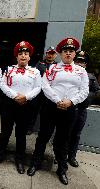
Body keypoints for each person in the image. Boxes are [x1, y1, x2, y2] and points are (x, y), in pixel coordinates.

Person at [27, 37, 89, 185]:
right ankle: (35, 163)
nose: (68, 54)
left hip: (69, 110)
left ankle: (62, 169)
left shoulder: (81, 71)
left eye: (71, 51)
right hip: (51, 108)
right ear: (60, 53)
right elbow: (45, 85)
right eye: (65, 51)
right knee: (43, 136)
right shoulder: (51, 68)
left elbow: (84, 90)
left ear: (75, 54)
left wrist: (71, 102)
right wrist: (57, 100)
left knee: (63, 140)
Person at [0, 41, 41, 174]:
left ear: (29, 57)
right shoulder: (9, 69)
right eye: (20, 54)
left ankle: (20, 161)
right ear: (16, 56)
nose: (23, 56)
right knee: (5, 133)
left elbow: (38, 87)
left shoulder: (35, 71)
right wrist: (15, 96)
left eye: (26, 53)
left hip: (26, 106)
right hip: (9, 105)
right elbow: (3, 84)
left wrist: (26, 97)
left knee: (21, 135)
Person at [68, 50, 100, 167]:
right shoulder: (69, 74)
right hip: (69, 109)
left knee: (76, 134)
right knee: (65, 133)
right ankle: (59, 155)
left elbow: (97, 92)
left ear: (86, 64)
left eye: (83, 62)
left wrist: (86, 97)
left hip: (81, 110)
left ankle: (72, 157)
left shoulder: (91, 77)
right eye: (78, 61)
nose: (80, 64)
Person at [26, 46, 58, 135]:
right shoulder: (39, 64)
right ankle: (29, 128)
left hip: (49, 93)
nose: (50, 55)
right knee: (33, 110)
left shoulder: (57, 66)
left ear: (55, 55)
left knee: (46, 113)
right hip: (39, 91)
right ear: (46, 54)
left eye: (52, 54)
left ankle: (43, 131)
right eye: (49, 53)